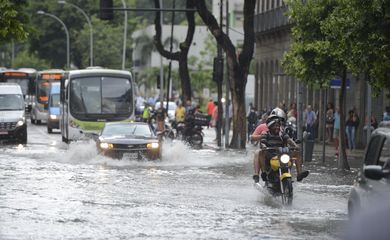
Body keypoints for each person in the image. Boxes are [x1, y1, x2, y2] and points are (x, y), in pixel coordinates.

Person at [252, 108, 309, 183]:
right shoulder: (265, 133)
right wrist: (262, 143)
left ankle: (299, 174)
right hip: (269, 153)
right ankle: (263, 173)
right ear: (270, 125)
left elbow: (289, 140)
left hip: (282, 153)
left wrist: (295, 146)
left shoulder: (282, 133)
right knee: (259, 152)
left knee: (296, 152)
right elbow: (258, 139)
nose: (277, 126)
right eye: (275, 125)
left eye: (279, 124)